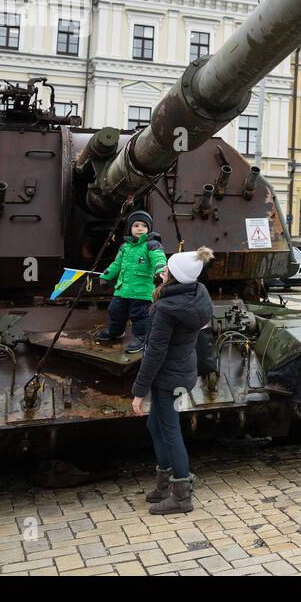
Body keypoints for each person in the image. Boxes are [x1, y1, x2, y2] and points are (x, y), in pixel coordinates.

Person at [132, 246, 215, 515]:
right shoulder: (197, 293)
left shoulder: (166, 309)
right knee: (155, 426)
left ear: (175, 276)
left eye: (167, 268)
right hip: (181, 371)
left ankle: (181, 496)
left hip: (168, 377)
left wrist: (139, 390)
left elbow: (154, 353)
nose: (162, 271)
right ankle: (166, 485)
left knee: (170, 431)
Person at [97, 211, 168, 353]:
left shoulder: (152, 245)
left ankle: (141, 338)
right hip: (122, 290)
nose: (140, 228)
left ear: (149, 229)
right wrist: (106, 276)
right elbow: (117, 264)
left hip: (141, 292)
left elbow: (159, 259)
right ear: (130, 228)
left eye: (144, 226)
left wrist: (160, 271)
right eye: (136, 225)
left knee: (139, 316)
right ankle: (115, 331)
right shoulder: (125, 247)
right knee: (115, 310)